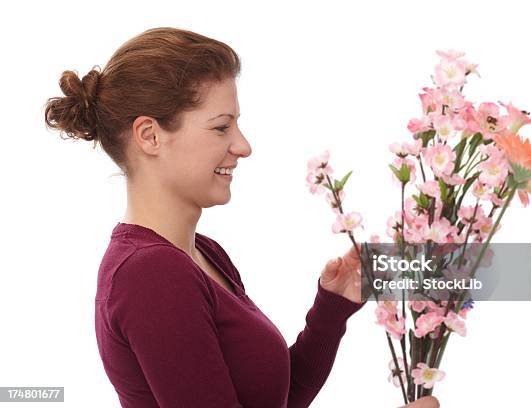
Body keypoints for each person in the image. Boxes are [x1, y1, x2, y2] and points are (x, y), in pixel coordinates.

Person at [44, 27, 439, 408]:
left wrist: (331, 307)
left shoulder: (202, 254)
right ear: (150, 135)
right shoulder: (151, 273)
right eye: (221, 127)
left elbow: (273, 400)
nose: (243, 145)